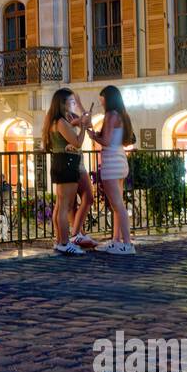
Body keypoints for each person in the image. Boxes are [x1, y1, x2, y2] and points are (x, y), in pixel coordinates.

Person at [83, 85, 136, 254]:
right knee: (117, 205)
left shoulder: (110, 115)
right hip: (120, 160)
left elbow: (105, 141)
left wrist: (92, 135)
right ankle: (116, 240)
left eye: (102, 100)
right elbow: (112, 139)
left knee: (117, 205)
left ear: (108, 99)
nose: (101, 103)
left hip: (111, 162)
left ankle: (126, 243)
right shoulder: (122, 115)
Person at [42, 87, 87, 255]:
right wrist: (82, 128)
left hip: (60, 162)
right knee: (65, 206)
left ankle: (59, 241)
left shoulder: (54, 120)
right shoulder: (60, 121)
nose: (73, 104)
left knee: (61, 205)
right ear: (62, 102)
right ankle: (64, 242)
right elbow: (77, 142)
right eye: (71, 101)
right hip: (66, 163)